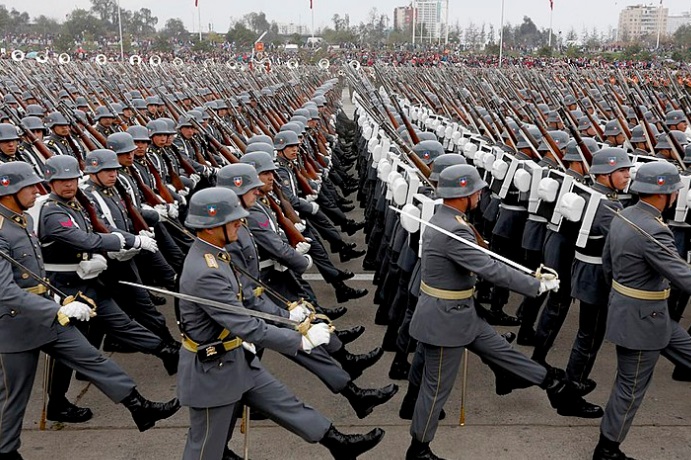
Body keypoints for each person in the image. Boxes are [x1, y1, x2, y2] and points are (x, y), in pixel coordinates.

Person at [177, 187, 385, 460]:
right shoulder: (206, 271)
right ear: (210, 227)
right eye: (233, 219)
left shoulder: (217, 255)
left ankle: (337, 442)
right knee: (205, 448)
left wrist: (287, 316)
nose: (240, 221)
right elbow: (247, 326)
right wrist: (300, 340)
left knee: (285, 403)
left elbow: (244, 302)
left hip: (234, 358)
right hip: (212, 373)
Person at [0, 161, 179, 460]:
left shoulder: (24, 220)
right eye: (29, 186)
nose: (36, 190)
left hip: (51, 313)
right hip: (16, 325)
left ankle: (139, 406)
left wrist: (59, 300)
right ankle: (7, 450)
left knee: (93, 359)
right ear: (9, 192)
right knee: (12, 397)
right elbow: (6, 291)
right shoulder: (3, 231)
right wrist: (57, 308)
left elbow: (36, 273)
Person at [406, 164, 567, 460]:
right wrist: (535, 285)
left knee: (502, 352)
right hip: (444, 321)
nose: (481, 194)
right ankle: (419, 449)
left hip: (460, 313)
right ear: (463, 194)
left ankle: (552, 384)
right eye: (476, 190)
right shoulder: (454, 229)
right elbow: (489, 269)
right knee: (436, 388)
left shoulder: (447, 218)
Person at [594, 161, 691, 460]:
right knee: (631, 386)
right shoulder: (653, 229)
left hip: (644, 314)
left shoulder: (624, 215)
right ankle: (607, 450)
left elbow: (608, 267)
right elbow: (683, 277)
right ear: (665, 193)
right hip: (642, 320)